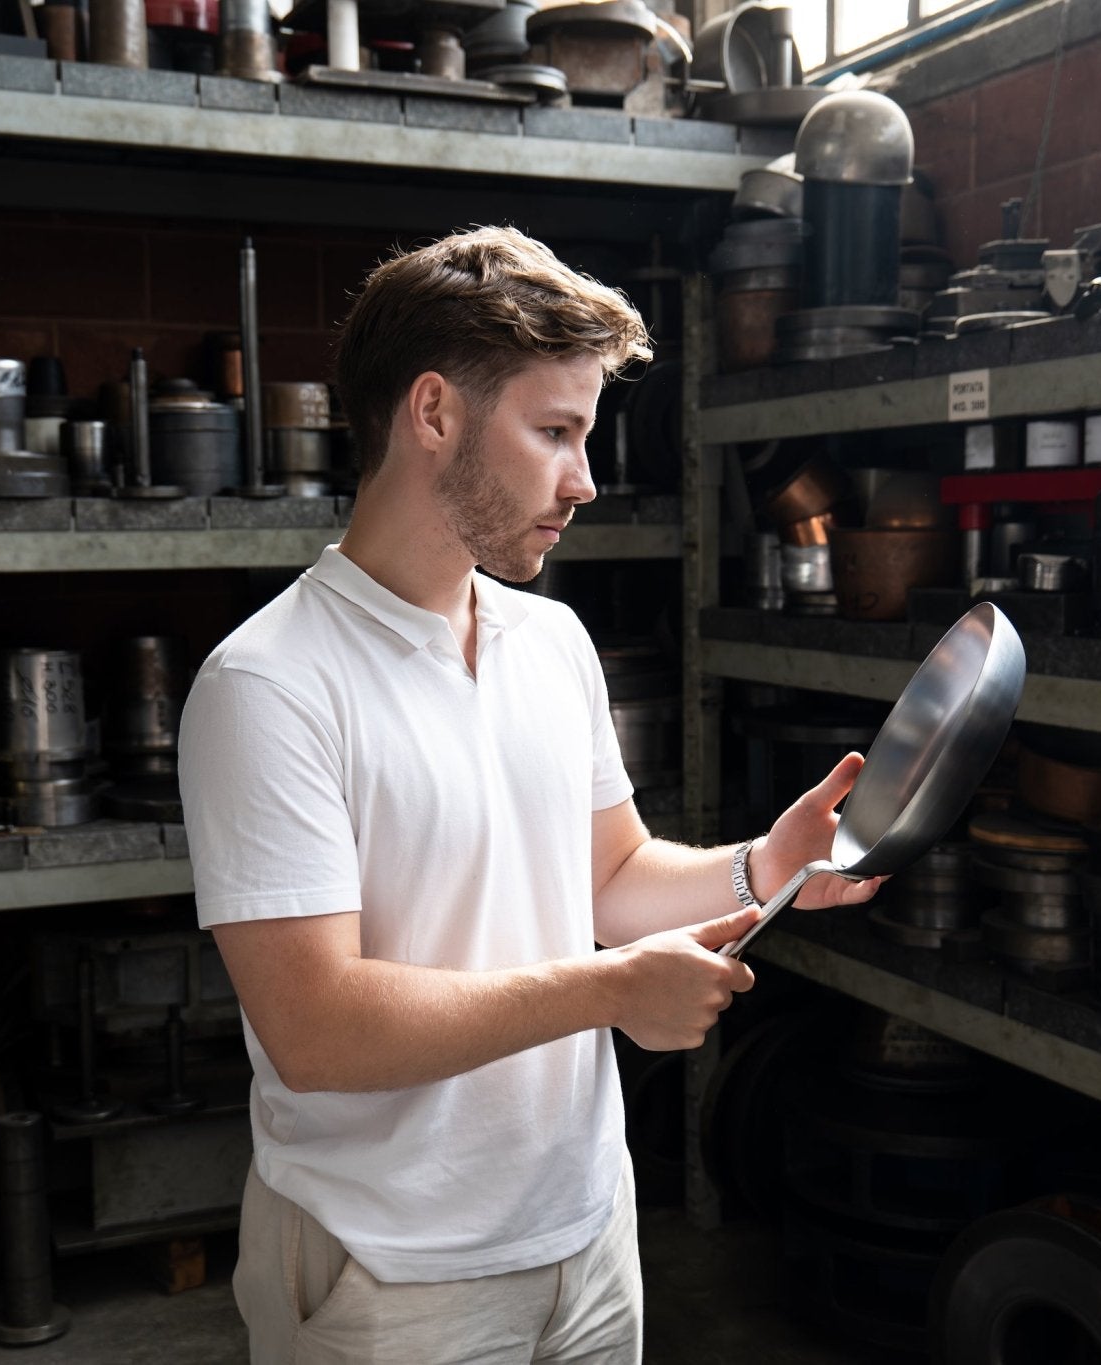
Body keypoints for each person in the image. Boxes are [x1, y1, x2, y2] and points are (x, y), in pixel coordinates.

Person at [181, 225, 881, 1364]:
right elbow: (311, 1028)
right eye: (553, 432)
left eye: (584, 436)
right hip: (392, 1274)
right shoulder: (269, 685)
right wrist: (610, 993)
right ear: (434, 414)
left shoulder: (549, 642)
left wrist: (766, 863)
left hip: (587, 1235)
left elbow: (607, 876)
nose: (585, 480)